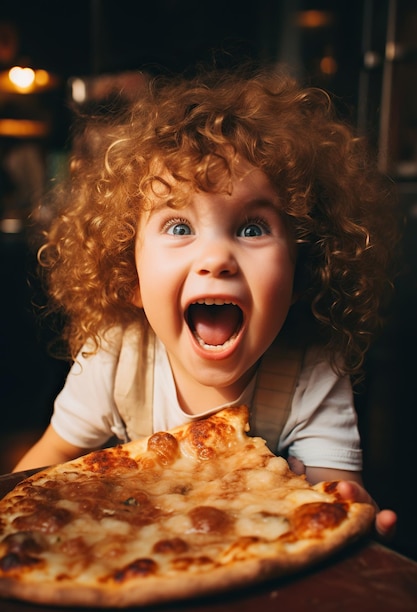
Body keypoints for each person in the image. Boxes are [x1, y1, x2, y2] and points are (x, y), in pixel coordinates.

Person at [14, 66, 398, 539]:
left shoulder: (312, 370)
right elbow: (46, 463)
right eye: (179, 228)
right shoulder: (116, 358)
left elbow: (332, 499)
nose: (216, 259)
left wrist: (352, 510)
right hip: (125, 551)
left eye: (252, 228)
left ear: (304, 271)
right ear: (129, 276)